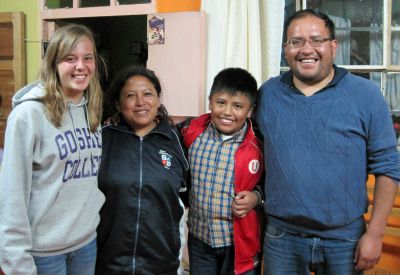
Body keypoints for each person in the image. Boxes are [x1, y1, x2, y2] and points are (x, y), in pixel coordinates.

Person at [255, 9, 400, 275]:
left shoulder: (365, 95)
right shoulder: (268, 94)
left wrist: (376, 234)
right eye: (296, 41)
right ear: (285, 48)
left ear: (333, 46)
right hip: (281, 238)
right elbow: (251, 154)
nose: (306, 49)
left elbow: (388, 166)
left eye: (316, 40)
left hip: (345, 239)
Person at [0, 24, 105, 275]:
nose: (81, 66)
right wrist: (15, 262)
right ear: (53, 63)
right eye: (70, 58)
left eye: (87, 58)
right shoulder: (28, 115)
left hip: (85, 244)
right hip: (43, 254)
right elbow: (12, 195)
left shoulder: (92, 110)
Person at [95, 66, 189, 274]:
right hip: (109, 262)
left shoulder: (177, 141)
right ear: (119, 104)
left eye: (147, 94)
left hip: (162, 263)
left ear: (157, 99)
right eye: (131, 96)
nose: (140, 102)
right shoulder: (102, 139)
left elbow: (186, 196)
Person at [179, 68, 264, 275]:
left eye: (237, 106)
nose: (227, 112)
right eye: (220, 103)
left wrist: (257, 196)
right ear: (210, 102)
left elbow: (276, 181)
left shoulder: (259, 143)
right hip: (200, 240)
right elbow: (161, 127)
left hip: (239, 243)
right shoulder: (191, 131)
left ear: (250, 110)